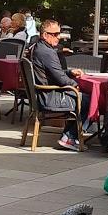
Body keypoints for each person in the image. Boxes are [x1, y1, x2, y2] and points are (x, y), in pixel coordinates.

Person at [29, 18, 87, 152]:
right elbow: (61, 80)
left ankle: (68, 135)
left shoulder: (38, 47)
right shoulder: (47, 52)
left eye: (59, 34)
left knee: (83, 98)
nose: (58, 37)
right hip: (49, 98)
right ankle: (69, 137)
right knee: (88, 100)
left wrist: (70, 72)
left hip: (42, 95)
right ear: (45, 35)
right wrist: (75, 85)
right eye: (55, 34)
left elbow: (53, 73)